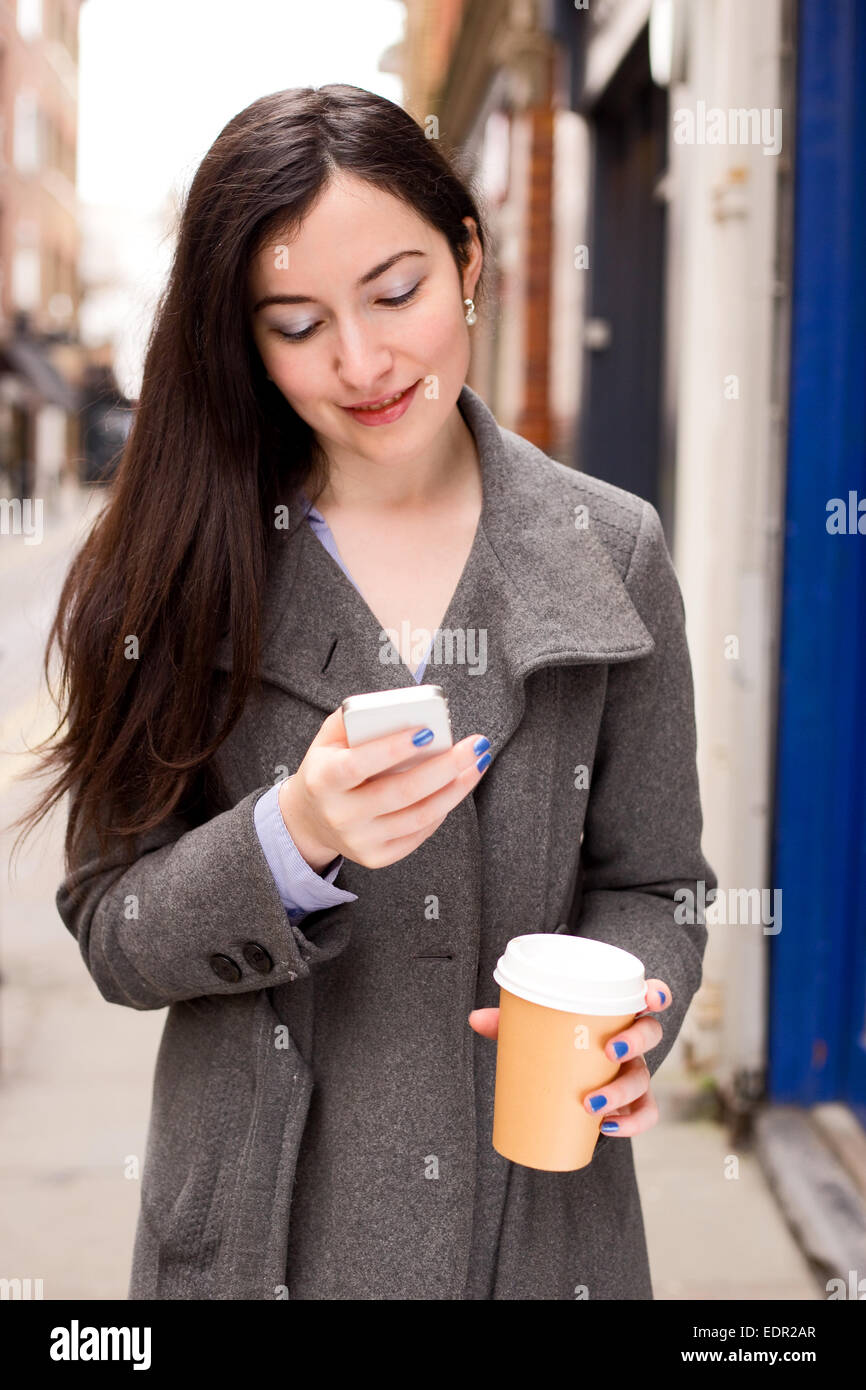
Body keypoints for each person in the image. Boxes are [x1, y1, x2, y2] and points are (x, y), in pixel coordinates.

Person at [11, 84, 715, 1300]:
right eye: (295, 323)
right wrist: (293, 839)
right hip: (258, 1235)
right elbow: (111, 930)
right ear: (243, 339)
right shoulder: (176, 564)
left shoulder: (614, 550)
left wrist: (632, 1005)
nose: (362, 360)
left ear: (468, 260)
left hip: (537, 1227)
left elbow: (655, 880)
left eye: (396, 293)